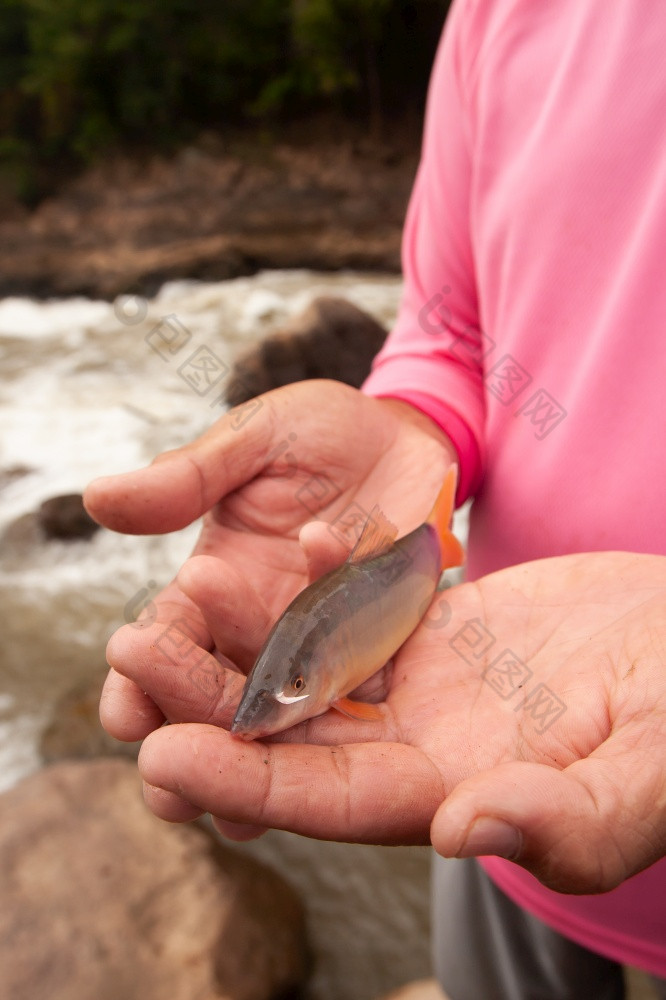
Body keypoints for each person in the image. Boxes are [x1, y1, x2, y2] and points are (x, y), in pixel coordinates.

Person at [84, 0, 666, 996]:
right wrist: (410, 426)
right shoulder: (496, 13)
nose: (264, 710)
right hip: (486, 739)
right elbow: (451, 331)